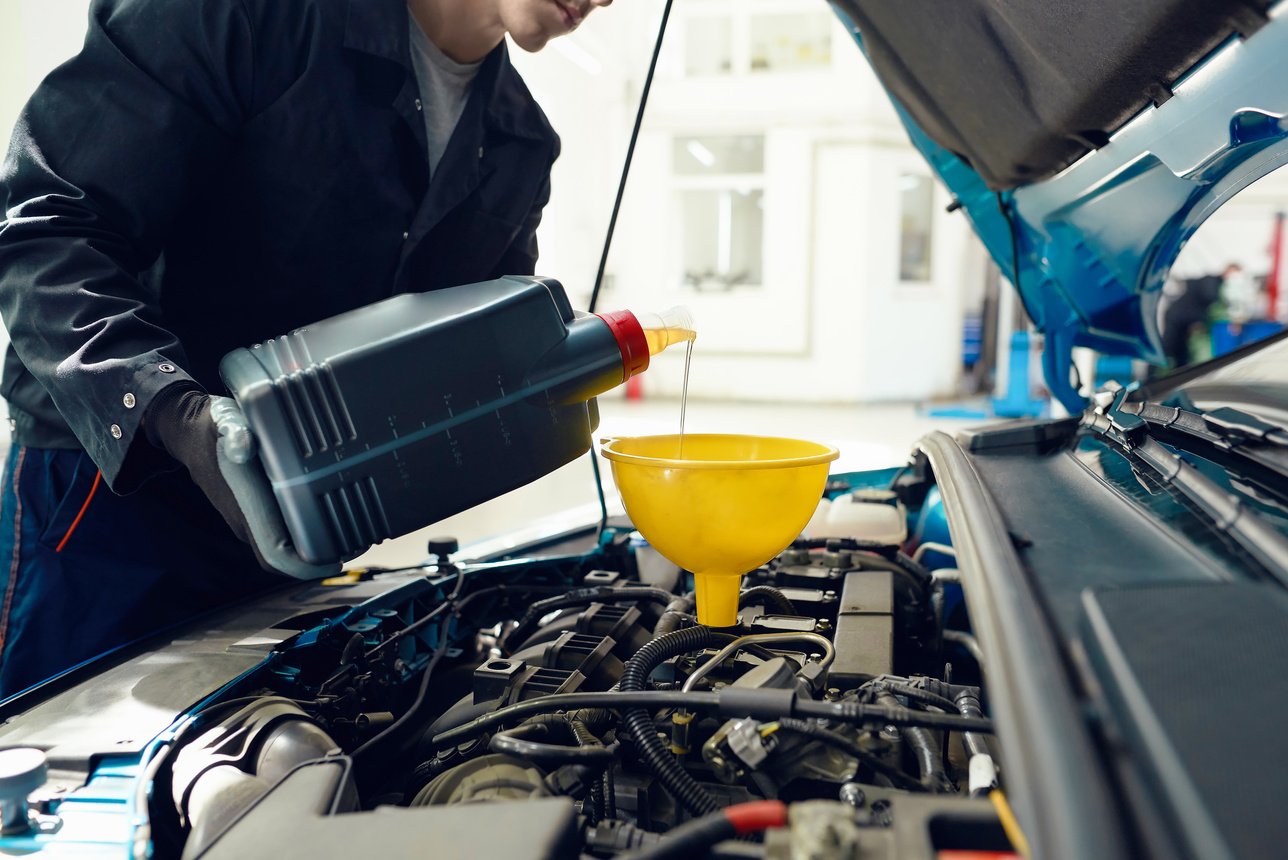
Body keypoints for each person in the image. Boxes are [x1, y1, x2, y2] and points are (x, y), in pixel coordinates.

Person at [0, 0, 613, 698]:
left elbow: (457, 364)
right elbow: (49, 227)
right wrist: (177, 416)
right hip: (113, 500)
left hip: (298, 533)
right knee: (65, 750)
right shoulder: (241, 14)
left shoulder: (520, 144)